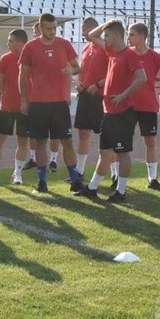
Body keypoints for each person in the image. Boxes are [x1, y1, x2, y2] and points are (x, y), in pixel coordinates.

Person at [80, 20, 146, 203]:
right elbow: (92, 35)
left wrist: (124, 95)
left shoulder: (129, 54)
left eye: (108, 35)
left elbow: (142, 78)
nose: (105, 38)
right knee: (105, 152)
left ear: (117, 35)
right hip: (109, 111)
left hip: (123, 113)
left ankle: (121, 191)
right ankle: (92, 188)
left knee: (122, 152)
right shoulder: (111, 51)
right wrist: (106, 24)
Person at [18, 13, 82, 194]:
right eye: (48, 28)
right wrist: (23, 100)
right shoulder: (30, 47)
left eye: (54, 28)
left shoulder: (64, 44)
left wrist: (71, 70)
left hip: (59, 103)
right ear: (40, 28)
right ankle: (42, 182)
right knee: (40, 143)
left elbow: (77, 67)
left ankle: (75, 181)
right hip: (38, 103)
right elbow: (22, 75)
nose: (52, 31)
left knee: (67, 141)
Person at [0, 29, 30, 185]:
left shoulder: (30, 59)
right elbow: (0, 83)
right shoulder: (5, 59)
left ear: (20, 42)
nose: (8, 43)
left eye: (11, 41)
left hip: (25, 108)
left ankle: (17, 174)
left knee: (23, 141)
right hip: (6, 107)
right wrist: (9, 96)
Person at [127, 22, 160, 191]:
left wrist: (152, 96)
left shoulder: (157, 58)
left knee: (150, 141)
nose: (128, 37)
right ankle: (116, 177)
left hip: (148, 107)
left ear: (142, 36)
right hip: (128, 105)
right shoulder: (126, 55)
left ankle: (153, 179)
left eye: (132, 34)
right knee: (121, 141)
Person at [75, 17, 109, 178]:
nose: (82, 33)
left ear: (92, 29)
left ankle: (115, 173)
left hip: (101, 97)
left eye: (84, 29)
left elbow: (114, 72)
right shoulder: (86, 48)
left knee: (107, 136)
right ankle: (79, 171)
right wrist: (78, 82)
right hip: (85, 96)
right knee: (83, 133)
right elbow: (82, 70)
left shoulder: (106, 48)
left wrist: (98, 85)